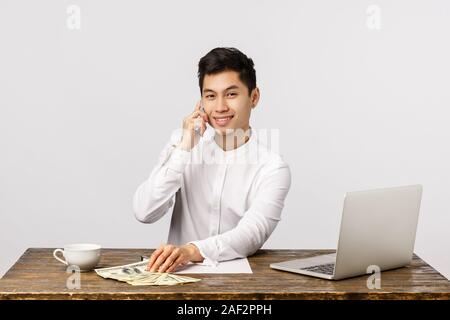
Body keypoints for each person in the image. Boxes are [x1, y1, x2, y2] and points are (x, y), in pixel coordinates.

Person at [133, 47, 291, 273]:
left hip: (239, 287)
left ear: (254, 97)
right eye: (210, 96)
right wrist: (184, 148)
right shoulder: (182, 145)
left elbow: (252, 234)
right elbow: (144, 211)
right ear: (201, 102)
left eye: (231, 94)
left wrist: (190, 250)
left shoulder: (272, 167)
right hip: (178, 281)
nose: (219, 107)